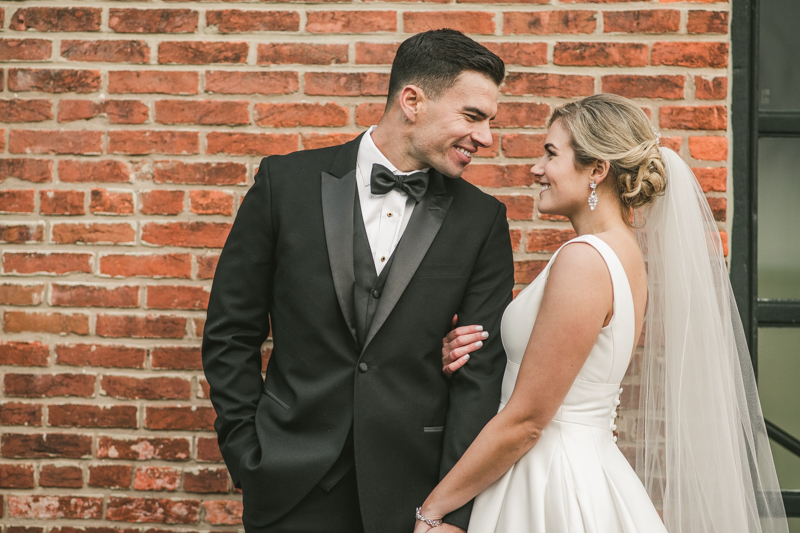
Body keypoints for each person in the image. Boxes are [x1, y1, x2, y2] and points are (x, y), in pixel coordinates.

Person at [414, 94, 789, 533]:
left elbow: (528, 420)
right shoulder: (622, 253)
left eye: (551, 153)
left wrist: (434, 510)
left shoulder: (585, 260)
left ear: (597, 170)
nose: (536, 168)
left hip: (549, 480)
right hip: (578, 465)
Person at [202, 29, 515, 533]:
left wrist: (452, 511)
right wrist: (246, 453)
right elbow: (230, 330)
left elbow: (480, 376)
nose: (484, 137)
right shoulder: (285, 184)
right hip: (288, 481)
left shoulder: (482, 220)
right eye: (473, 116)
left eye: (488, 122)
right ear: (412, 100)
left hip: (414, 496)